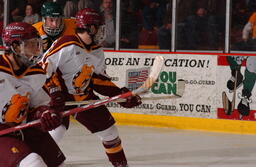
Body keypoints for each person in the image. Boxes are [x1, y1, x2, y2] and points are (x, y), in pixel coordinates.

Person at [40, 8, 142, 167]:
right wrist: (55, 93)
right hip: (58, 99)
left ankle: (121, 165)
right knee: (55, 133)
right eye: (100, 28)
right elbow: (44, 69)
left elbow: (98, 79)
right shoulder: (66, 43)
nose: (102, 32)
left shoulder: (97, 51)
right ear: (91, 28)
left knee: (110, 132)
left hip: (83, 98)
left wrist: (120, 94)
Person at [0, 22, 65, 167]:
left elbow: (38, 105)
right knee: (33, 163)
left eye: (37, 44)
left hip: (22, 129)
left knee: (58, 164)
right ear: (16, 46)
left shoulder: (36, 73)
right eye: (31, 44)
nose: (37, 49)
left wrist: (44, 113)